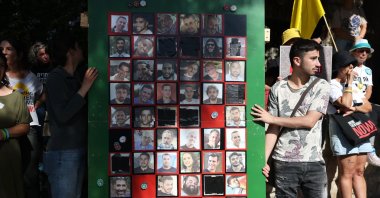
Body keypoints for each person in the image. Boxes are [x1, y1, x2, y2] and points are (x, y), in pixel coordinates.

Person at [251, 39, 330, 197]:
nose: (319, 63)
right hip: (283, 162)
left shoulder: (321, 86)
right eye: (313, 58)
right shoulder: (278, 88)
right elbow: (273, 129)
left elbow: (309, 121)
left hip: (314, 161)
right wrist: (264, 160)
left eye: (318, 58)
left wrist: (272, 119)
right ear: (297, 60)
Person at [43, 34, 98, 198]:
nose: (82, 50)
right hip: (63, 153)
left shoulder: (73, 77)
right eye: (78, 47)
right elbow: (62, 115)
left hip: (75, 150)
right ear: (70, 52)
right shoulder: (55, 77)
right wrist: (85, 88)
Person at [1, 38, 44, 198]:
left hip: (28, 126)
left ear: (19, 54)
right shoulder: (1, 76)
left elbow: (43, 93)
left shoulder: (31, 77)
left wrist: (37, 103)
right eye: (2, 49)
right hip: (6, 126)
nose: (4, 52)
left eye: (9, 48)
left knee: (29, 175)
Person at [328, 51, 372, 198]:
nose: (351, 68)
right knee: (347, 172)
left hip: (359, 129)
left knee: (360, 171)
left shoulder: (355, 85)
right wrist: (349, 83)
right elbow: (345, 103)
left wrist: (354, 108)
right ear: (340, 67)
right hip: (343, 130)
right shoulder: (332, 85)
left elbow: (368, 107)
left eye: (352, 65)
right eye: (348, 65)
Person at [0, 52, 31, 198]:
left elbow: (25, 126)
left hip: (8, 158)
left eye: (0, 66)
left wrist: (4, 133)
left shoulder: (16, 96)